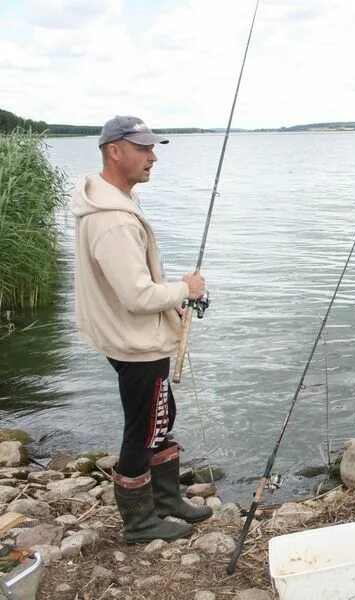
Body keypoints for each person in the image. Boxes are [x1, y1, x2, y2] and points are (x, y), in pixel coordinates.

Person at [71, 115, 212, 544]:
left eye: (154, 148)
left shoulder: (113, 201)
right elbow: (136, 296)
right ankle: (139, 522)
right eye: (143, 148)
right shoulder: (111, 219)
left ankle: (166, 502)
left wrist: (177, 296)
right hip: (134, 341)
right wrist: (183, 290)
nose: (153, 157)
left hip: (129, 335)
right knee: (145, 428)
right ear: (115, 151)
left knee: (162, 413)